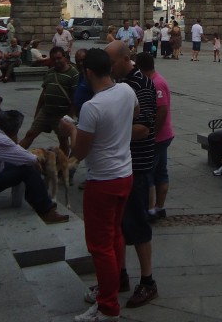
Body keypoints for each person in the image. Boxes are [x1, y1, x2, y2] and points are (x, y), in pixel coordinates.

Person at [63, 48, 139, 322]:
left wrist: (72, 129)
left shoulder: (92, 107)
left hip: (103, 181)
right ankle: (110, 287)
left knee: (100, 246)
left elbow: (79, 152)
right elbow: (136, 113)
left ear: (88, 73)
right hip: (125, 175)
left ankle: (107, 307)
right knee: (115, 235)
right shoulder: (127, 91)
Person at [106, 42, 159, 309]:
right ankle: (121, 275)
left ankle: (148, 282)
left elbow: (144, 128)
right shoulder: (121, 83)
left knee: (137, 224)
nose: (109, 69)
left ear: (126, 58)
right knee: (119, 225)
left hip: (137, 166)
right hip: (122, 164)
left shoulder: (141, 85)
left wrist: (108, 136)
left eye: (112, 63)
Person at [0, 110, 70, 224]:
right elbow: (31, 159)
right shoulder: (1, 140)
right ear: (15, 130)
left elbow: (17, 150)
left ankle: (37, 198)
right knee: (28, 168)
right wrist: (36, 161)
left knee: (21, 162)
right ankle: (45, 210)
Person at [19, 46, 78, 155]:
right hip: (46, 111)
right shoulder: (50, 72)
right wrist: (37, 112)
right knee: (30, 134)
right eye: (53, 59)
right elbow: (44, 93)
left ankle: (62, 164)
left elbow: (75, 97)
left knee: (63, 140)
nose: (56, 61)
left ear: (65, 57)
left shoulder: (73, 74)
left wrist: (69, 117)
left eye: (59, 58)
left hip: (61, 114)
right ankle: (15, 156)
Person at [139, 52, 174, 222]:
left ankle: (151, 209)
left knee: (149, 173)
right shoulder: (154, 80)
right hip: (163, 135)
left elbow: (162, 109)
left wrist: (153, 132)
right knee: (161, 172)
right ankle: (160, 208)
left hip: (159, 137)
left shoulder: (156, 83)